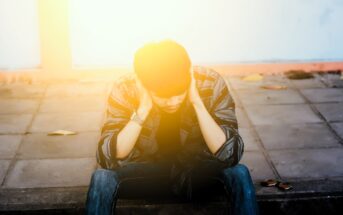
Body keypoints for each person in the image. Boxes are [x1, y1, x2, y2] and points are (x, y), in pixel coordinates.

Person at [85, 39, 259, 215]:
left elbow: (231, 154)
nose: (172, 102)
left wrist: (197, 102)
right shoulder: (126, 88)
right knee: (102, 178)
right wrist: (142, 110)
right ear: (144, 84)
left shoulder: (210, 83)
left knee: (239, 173)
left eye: (179, 94)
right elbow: (107, 157)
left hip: (197, 170)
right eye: (162, 96)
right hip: (146, 172)